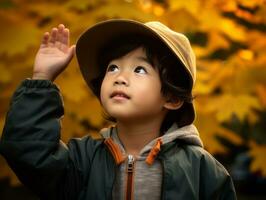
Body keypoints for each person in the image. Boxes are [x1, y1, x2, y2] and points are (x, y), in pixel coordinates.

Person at [0, 19, 237, 200]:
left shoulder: (203, 171)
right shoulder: (83, 161)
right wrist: (42, 78)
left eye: (140, 70)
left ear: (173, 98)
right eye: (113, 68)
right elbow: (28, 152)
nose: (120, 77)